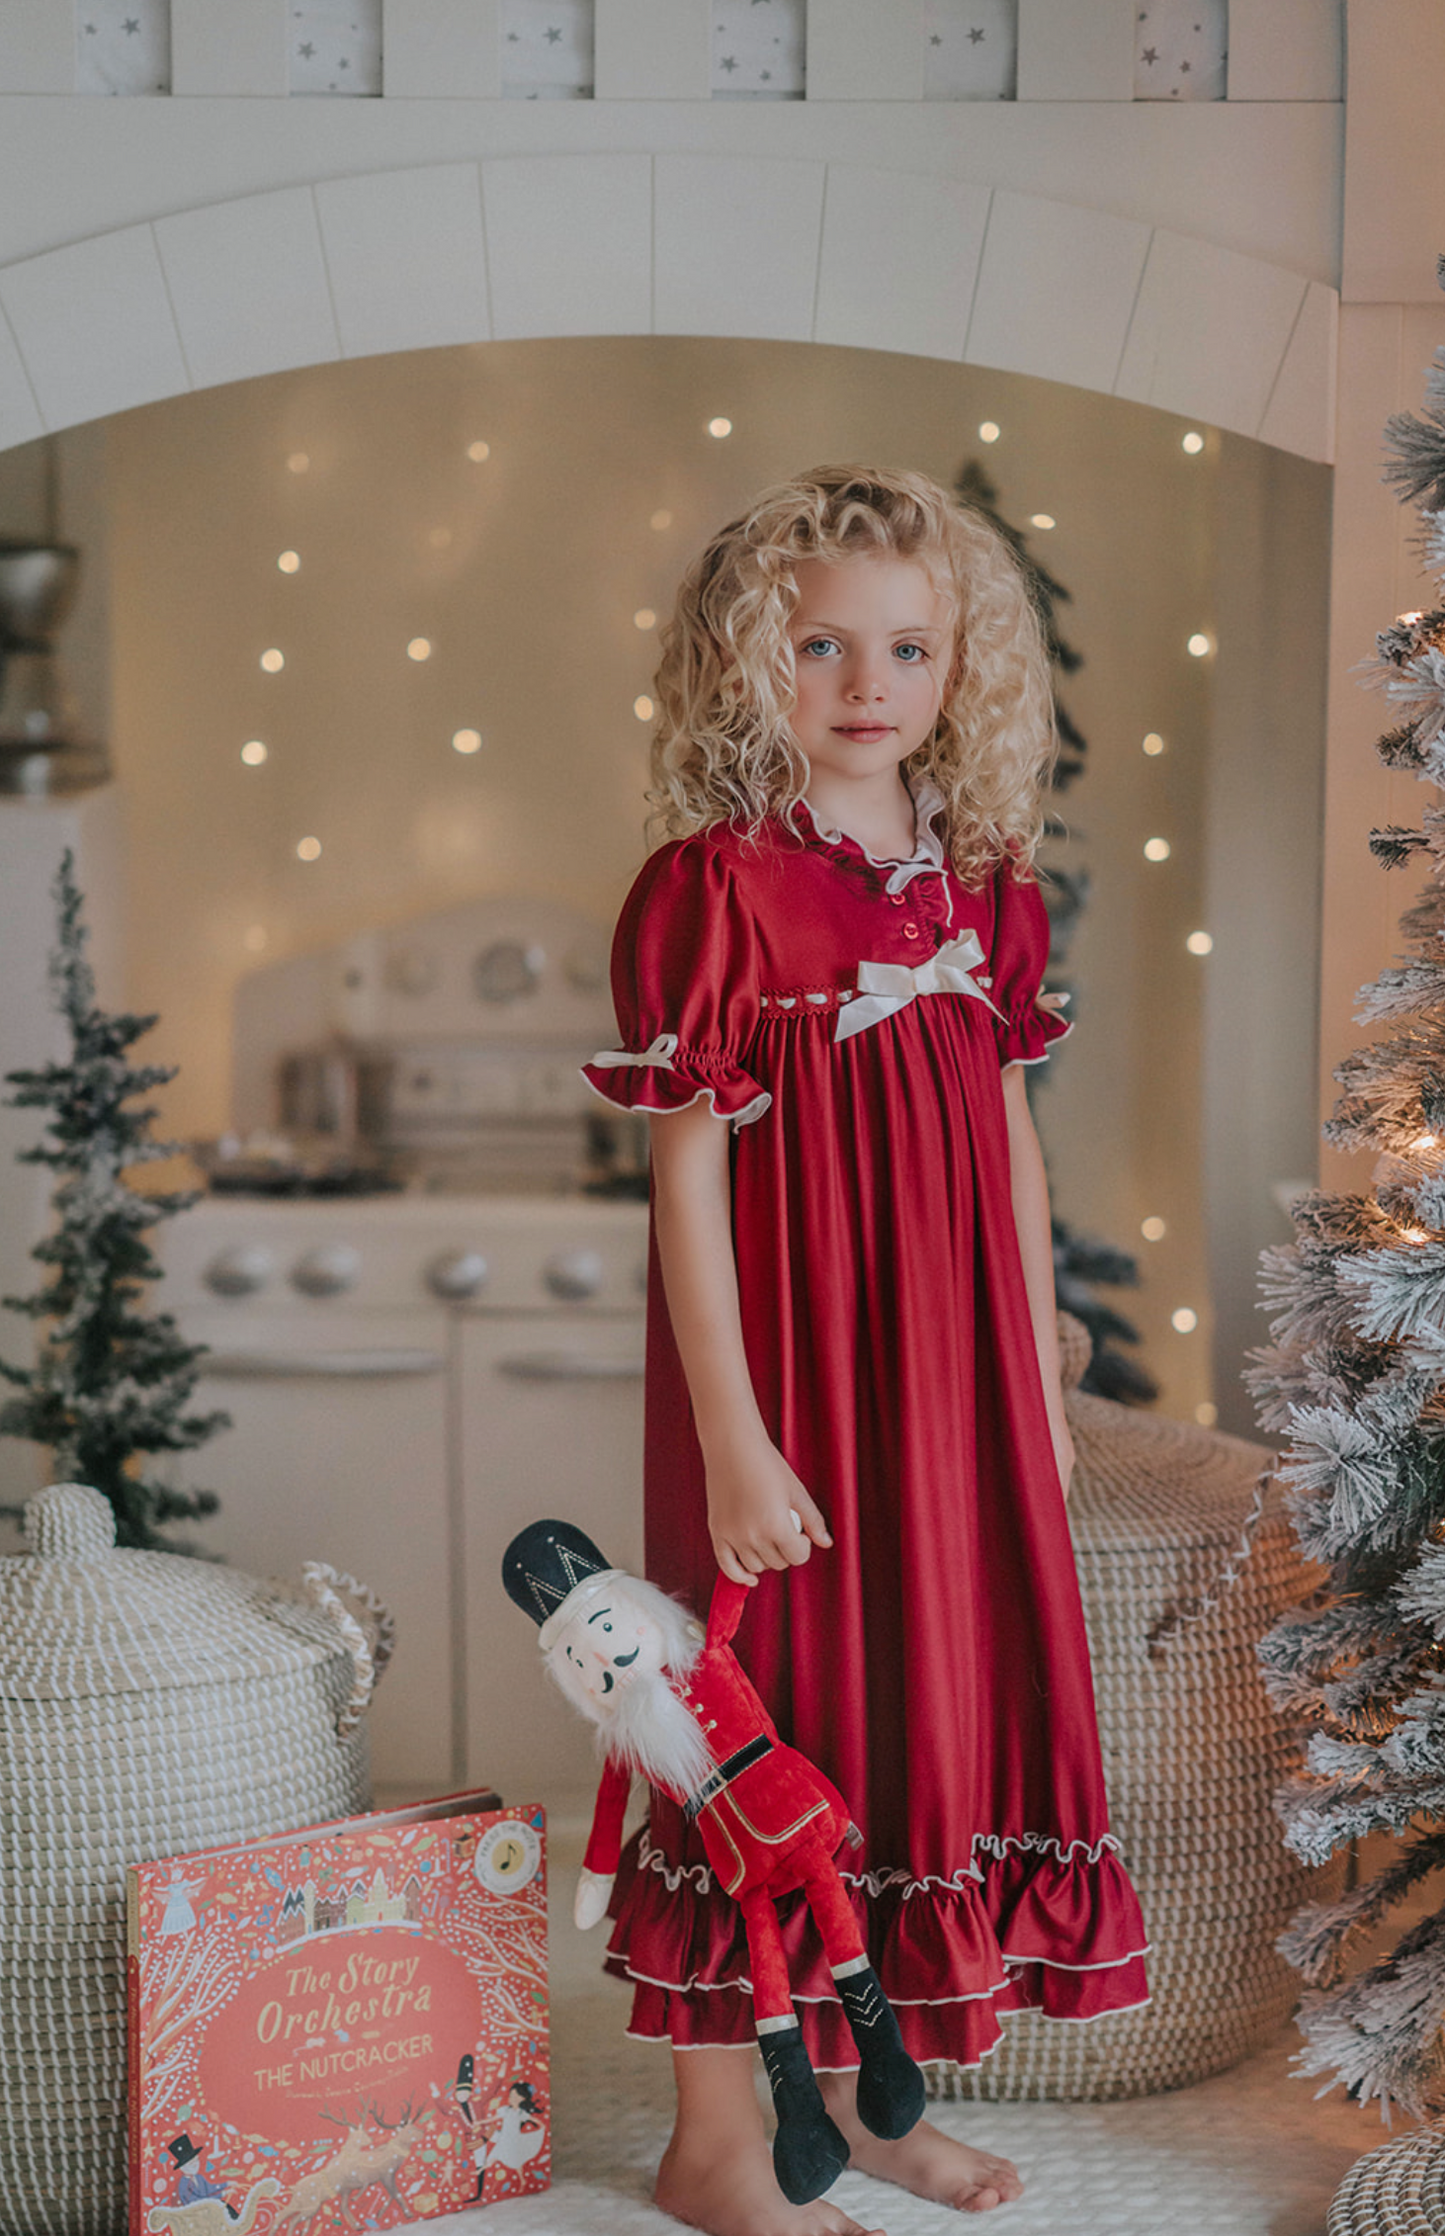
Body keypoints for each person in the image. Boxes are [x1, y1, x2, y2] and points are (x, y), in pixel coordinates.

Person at [582, 464, 1148, 2236]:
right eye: (821, 644)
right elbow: (686, 1187)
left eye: (908, 647)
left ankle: (856, 2105)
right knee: (763, 1721)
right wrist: (733, 1441)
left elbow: (1009, 1137)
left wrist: (1034, 1357)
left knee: (919, 1701)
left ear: (960, 666)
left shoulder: (985, 884)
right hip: (790, 1378)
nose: (867, 682)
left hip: (949, 1378)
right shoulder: (715, 890)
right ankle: (715, 2144)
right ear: (753, 659)